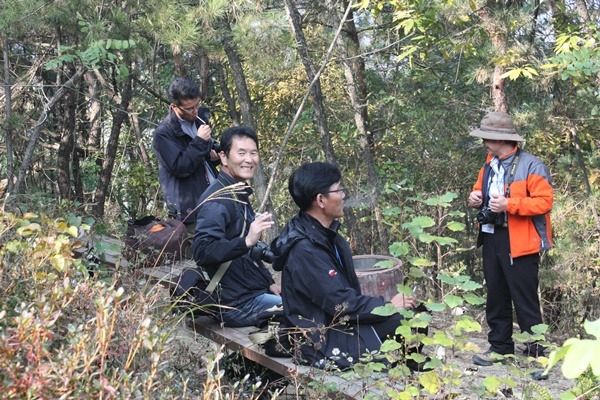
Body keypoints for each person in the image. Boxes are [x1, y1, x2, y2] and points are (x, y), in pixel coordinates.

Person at [271, 162, 420, 370]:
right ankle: (405, 378)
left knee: (415, 313)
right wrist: (387, 306)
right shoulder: (305, 250)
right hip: (321, 340)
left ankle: (409, 376)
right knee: (407, 320)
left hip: (340, 324)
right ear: (320, 200)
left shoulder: (326, 235)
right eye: (338, 190)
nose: (343, 195)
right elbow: (339, 303)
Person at [467, 111, 553, 368]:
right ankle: (500, 348)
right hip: (492, 237)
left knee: (524, 300)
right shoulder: (489, 164)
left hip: (521, 242)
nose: (484, 142)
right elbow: (479, 189)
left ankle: (538, 355)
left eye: (487, 137)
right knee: (496, 296)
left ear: (501, 139)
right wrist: (475, 197)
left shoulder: (532, 165)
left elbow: (544, 202)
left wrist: (509, 204)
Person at [192, 126, 282, 327]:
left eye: (253, 153)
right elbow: (202, 251)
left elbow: (246, 252)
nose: (249, 159)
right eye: (241, 153)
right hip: (237, 305)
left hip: (251, 292)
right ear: (223, 157)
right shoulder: (217, 200)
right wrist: (247, 240)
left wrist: (268, 281)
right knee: (305, 313)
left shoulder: (236, 191)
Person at [153, 77, 219, 231]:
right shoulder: (163, 133)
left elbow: (202, 157)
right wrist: (200, 141)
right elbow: (180, 167)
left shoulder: (199, 120)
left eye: (197, 105)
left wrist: (214, 154)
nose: (195, 111)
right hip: (190, 210)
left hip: (214, 198)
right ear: (174, 107)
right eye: (189, 109)